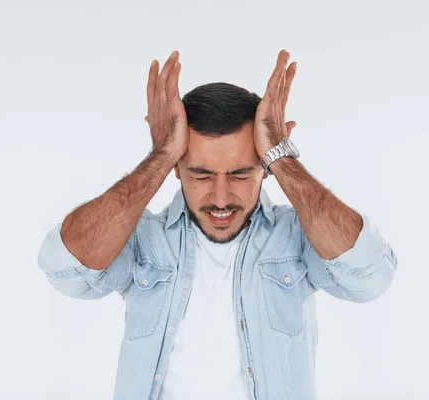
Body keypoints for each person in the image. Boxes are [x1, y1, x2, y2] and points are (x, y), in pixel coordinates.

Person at [37, 49, 399, 400]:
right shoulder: (143, 239)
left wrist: (282, 155)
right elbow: (65, 271)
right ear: (177, 168)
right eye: (201, 174)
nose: (222, 198)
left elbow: (370, 277)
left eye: (241, 174)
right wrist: (161, 155)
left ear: (266, 166)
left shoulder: (298, 236)